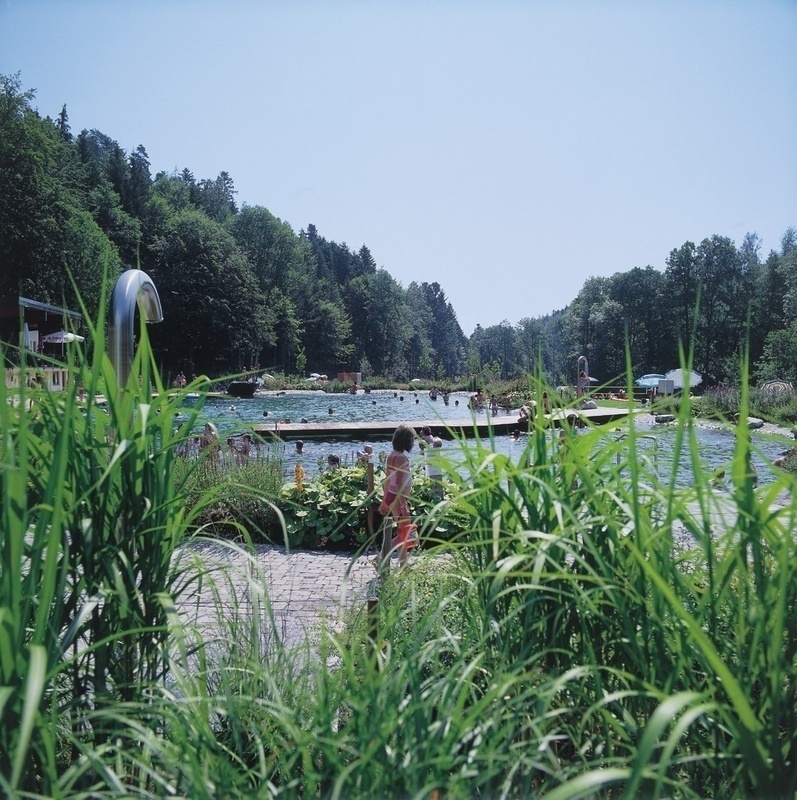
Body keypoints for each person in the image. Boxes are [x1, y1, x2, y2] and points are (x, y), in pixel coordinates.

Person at [378, 424, 416, 568]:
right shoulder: (401, 458)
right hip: (399, 498)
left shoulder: (391, 456)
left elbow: (388, 480)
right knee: (405, 533)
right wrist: (403, 504)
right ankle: (379, 558)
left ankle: (403, 565)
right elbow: (399, 483)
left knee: (403, 530)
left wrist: (384, 501)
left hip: (391, 496)